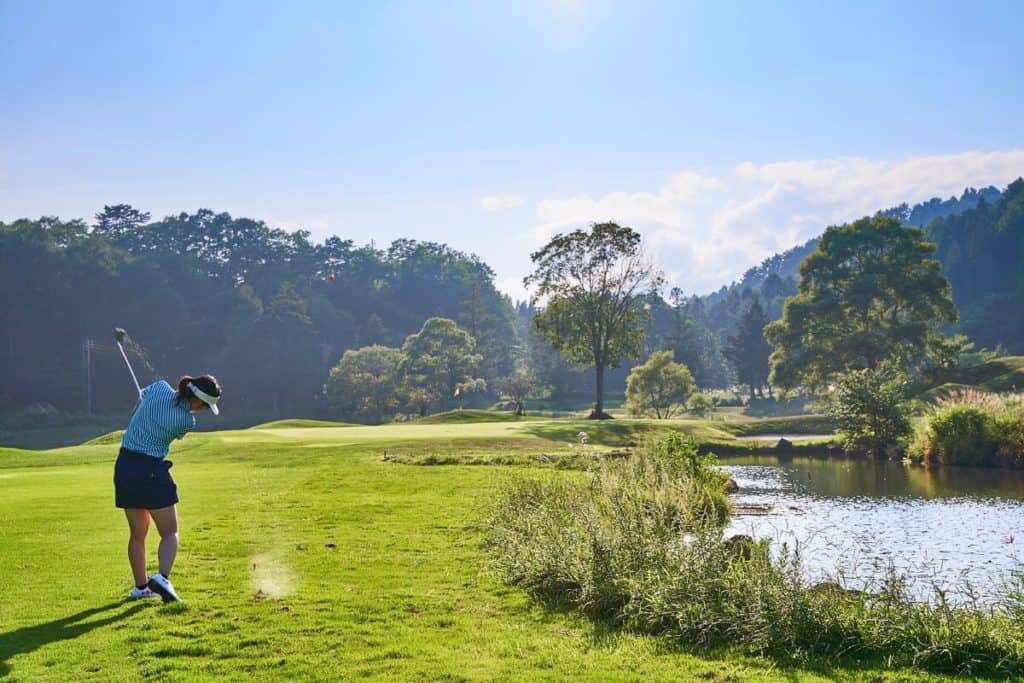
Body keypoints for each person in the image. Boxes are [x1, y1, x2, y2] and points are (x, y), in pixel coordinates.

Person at [114, 374, 222, 602]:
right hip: (151, 470)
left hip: (124, 467)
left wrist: (142, 411)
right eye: (205, 406)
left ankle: (141, 588)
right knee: (170, 532)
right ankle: (162, 577)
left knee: (137, 535)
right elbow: (175, 415)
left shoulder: (160, 387)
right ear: (198, 401)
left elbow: (141, 399)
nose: (202, 411)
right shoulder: (185, 421)